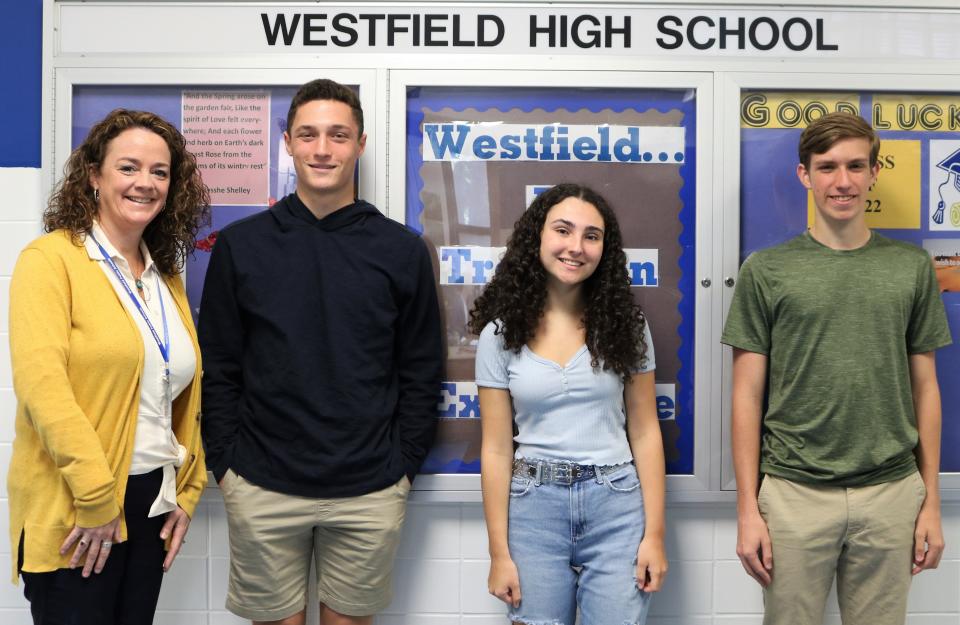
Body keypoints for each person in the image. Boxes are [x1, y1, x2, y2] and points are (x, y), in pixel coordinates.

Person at [199, 78, 443, 625]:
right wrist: (227, 466)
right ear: (287, 141)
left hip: (369, 487)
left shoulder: (401, 250)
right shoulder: (243, 245)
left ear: (359, 143)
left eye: (338, 135)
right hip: (261, 482)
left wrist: (401, 467)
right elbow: (220, 365)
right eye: (308, 134)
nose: (322, 149)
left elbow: (422, 369)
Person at [722, 112, 952, 625]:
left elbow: (926, 387)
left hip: (891, 493)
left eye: (855, 166)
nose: (842, 181)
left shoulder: (911, 268)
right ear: (805, 175)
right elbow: (745, 395)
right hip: (791, 493)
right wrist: (747, 510)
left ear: (874, 172)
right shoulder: (766, 269)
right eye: (826, 167)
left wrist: (930, 502)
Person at [8, 108, 211, 624]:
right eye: (128, 167)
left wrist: (186, 490)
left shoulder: (164, 275)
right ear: (93, 176)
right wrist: (98, 499)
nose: (145, 183)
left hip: (151, 503)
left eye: (160, 172)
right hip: (81, 501)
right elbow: (42, 388)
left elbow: (180, 393)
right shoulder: (51, 260)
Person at [471, 183, 668, 625]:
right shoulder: (499, 335)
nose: (576, 247)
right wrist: (498, 552)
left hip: (615, 506)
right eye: (563, 231)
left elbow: (645, 431)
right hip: (533, 510)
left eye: (591, 236)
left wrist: (654, 535)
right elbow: (497, 449)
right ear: (536, 238)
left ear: (605, 249)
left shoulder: (628, 327)